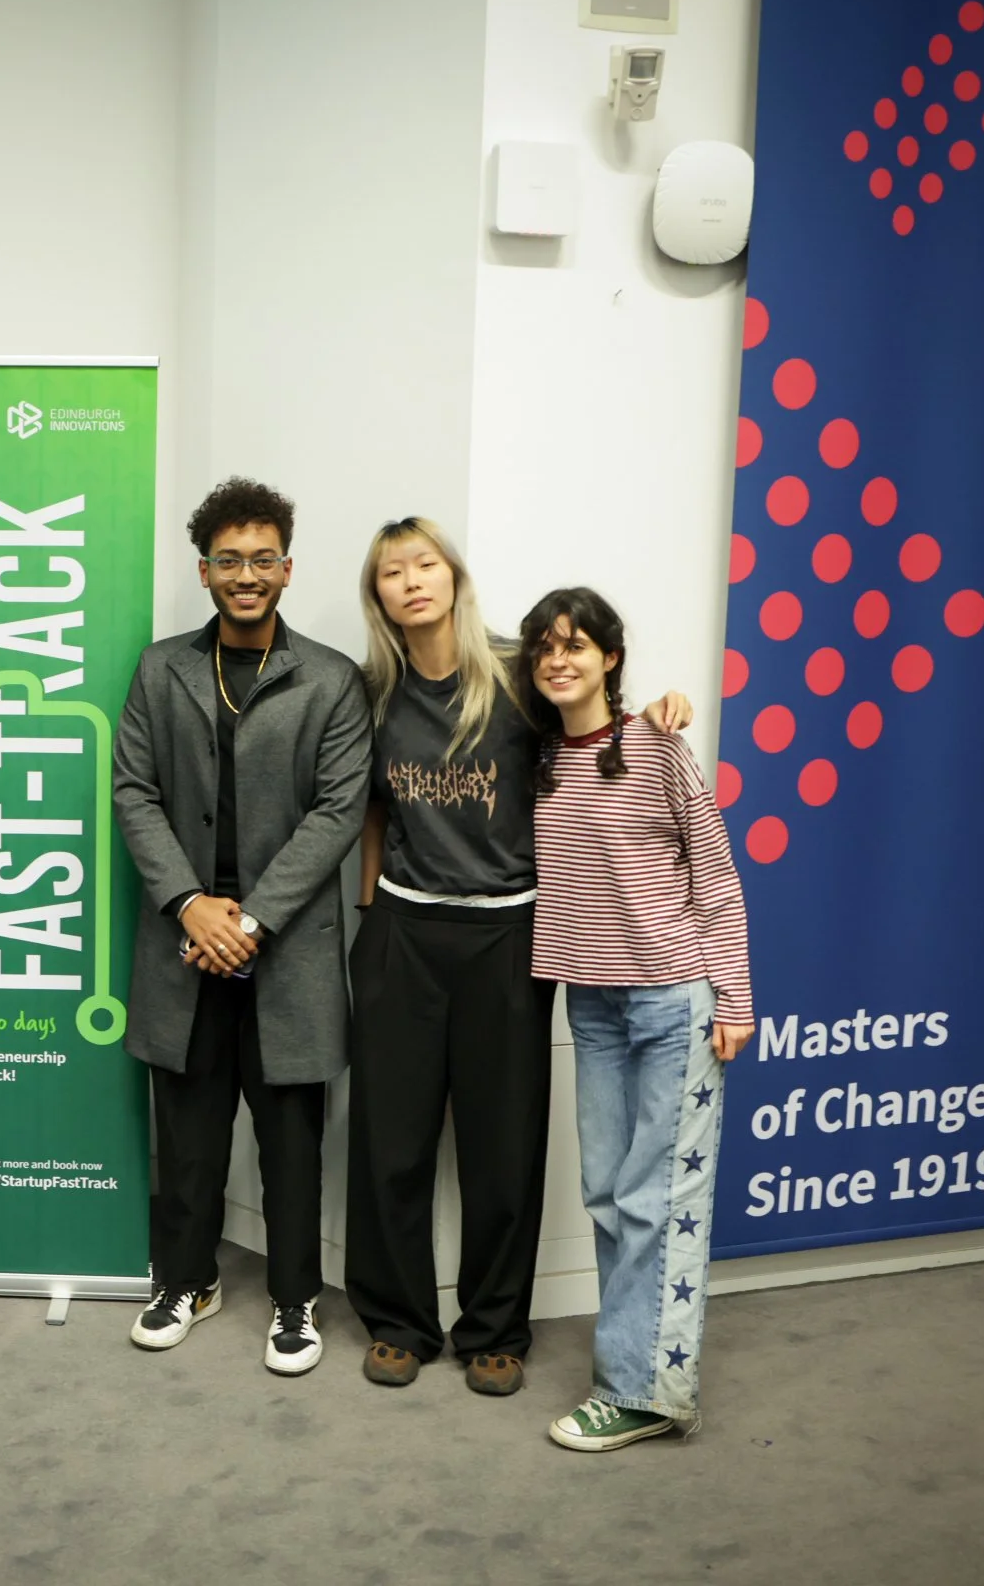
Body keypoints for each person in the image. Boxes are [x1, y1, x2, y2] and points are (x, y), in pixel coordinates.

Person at [347, 518, 690, 1396]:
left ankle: (495, 1329)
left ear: (454, 576)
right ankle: (398, 1322)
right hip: (403, 931)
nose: (412, 582)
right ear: (377, 593)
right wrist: (369, 906)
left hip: (506, 935)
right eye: (393, 572)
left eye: (426, 564)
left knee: (502, 1148)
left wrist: (661, 710)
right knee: (391, 1141)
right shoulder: (372, 691)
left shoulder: (515, 673)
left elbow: (590, 720)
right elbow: (373, 805)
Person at [110, 476, 371, 1376]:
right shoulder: (160, 669)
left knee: (292, 1138)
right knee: (187, 1133)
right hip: (183, 941)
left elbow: (338, 813)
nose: (246, 575)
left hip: (285, 946)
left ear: (288, 569)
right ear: (204, 572)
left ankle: (295, 1298)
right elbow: (134, 793)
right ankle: (187, 1279)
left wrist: (251, 919)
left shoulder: (331, 679)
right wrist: (191, 903)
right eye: (229, 561)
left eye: (263, 560)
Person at [519, 586, 752, 1452]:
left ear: (610, 658)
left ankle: (645, 1393)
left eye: (576, 645)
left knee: (660, 1197)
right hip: (591, 1002)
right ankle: (636, 1375)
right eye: (545, 647)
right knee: (610, 1195)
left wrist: (735, 996)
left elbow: (715, 876)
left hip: (673, 999)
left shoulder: (658, 747)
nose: (559, 660)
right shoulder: (538, 753)